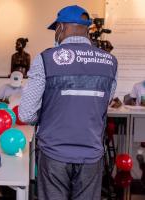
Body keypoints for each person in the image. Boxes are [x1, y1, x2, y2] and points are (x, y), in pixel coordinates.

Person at [19, 5, 117, 200]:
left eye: (55, 29)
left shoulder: (46, 59)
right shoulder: (110, 62)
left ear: (61, 28)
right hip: (92, 155)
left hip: (54, 154)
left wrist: (49, 112)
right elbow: (101, 105)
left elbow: (26, 113)